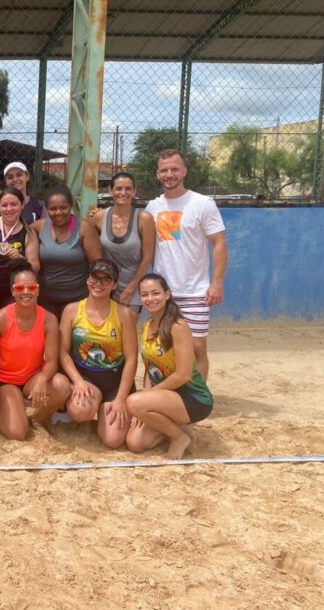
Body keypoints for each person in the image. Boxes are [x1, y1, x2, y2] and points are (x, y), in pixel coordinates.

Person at [146, 149, 227, 380]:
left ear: (184, 171)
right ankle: (168, 396)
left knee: (197, 348)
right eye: (164, 170)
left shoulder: (202, 203)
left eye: (174, 169)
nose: (169, 174)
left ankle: (198, 400)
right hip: (163, 294)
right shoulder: (153, 207)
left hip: (195, 291)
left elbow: (219, 243)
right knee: (163, 346)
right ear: (157, 174)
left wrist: (217, 284)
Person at [0, 263, 71, 440]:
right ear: (12, 291)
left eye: (31, 287)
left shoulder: (49, 319)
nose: (25, 292)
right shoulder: (0, 318)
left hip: (32, 378)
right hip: (5, 381)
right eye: (20, 287)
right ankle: (9, 408)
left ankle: (36, 418)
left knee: (63, 386)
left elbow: (51, 361)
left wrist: (43, 377)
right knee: (17, 433)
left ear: (38, 290)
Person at [125, 273, 214, 460]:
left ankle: (179, 437)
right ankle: (180, 426)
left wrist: (146, 398)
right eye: (145, 294)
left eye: (155, 293)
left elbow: (182, 376)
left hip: (193, 398)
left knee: (134, 402)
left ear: (167, 294)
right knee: (135, 443)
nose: (150, 299)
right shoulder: (147, 326)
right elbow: (151, 369)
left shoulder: (178, 326)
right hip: (166, 397)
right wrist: (146, 401)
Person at [58, 259, 138, 449]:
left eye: (106, 280)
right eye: (95, 278)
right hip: (86, 378)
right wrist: (77, 381)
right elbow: (62, 352)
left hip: (114, 380)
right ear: (87, 280)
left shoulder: (123, 313)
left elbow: (132, 359)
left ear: (114, 285)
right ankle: (87, 418)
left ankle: (108, 410)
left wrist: (120, 398)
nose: (98, 284)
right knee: (80, 411)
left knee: (113, 441)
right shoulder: (72, 310)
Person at [32, 185, 103, 320]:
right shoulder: (38, 227)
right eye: (53, 209)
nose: (58, 212)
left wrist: (97, 297)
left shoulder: (84, 228)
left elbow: (97, 264)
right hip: (45, 299)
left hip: (77, 298)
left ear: (70, 206)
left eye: (63, 207)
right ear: (47, 209)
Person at [90, 172, 155, 312]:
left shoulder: (144, 218)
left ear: (134, 191)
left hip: (133, 286)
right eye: (118, 188)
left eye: (128, 188)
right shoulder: (99, 217)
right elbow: (91, 250)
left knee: (127, 331)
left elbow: (147, 258)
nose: (123, 193)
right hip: (105, 286)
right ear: (110, 190)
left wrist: (131, 288)